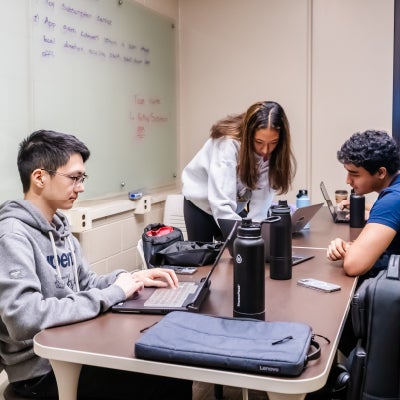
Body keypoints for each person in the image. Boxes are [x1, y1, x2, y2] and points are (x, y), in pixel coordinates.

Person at [0, 130, 192, 399]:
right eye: (74, 178)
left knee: (172, 364)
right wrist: (114, 293)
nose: (81, 187)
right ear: (40, 177)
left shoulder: (59, 228)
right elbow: (23, 317)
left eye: (82, 178)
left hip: (75, 346)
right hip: (42, 373)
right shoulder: (12, 235)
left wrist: (134, 278)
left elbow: (86, 283)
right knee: (166, 374)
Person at [181, 100, 297, 242]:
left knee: (244, 252)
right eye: (259, 142)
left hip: (234, 206)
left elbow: (260, 204)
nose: (266, 150)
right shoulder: (228, 144)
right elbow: (221, 203)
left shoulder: (271, 152)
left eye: (273, 143)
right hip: (201, 205)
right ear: (248, 135)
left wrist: (257, 236)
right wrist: (245, 240)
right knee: (204, 258)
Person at [327, 130, 400, 277]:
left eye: (354, 174)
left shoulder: (392, 200)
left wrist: (350, 251)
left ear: (381, 172)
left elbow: (353, 265)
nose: (348, 181)